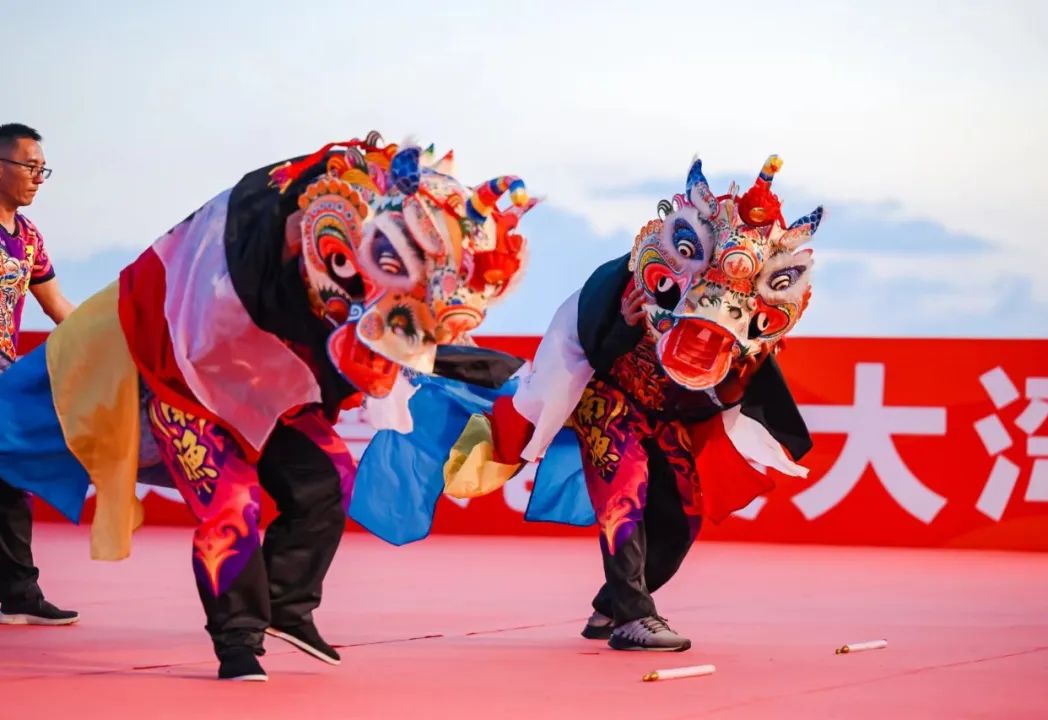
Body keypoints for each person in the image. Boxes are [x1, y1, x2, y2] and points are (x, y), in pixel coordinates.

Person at [0, 133, 536, 680]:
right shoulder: (258, 237)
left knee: (328, 478)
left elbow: (405, 341)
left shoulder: (386, 276)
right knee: (230, 505)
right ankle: (238, 640)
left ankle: (287, 603)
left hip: (275, 386)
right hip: (188, 381)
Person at [351, 155, 821, 652]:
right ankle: (633, 619)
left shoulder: (750, 331)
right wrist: (624, 324)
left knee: (683, 520)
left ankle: (611, 606)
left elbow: (726, 395)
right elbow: (592, 349)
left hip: (673, 419)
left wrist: (744, 357)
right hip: (608, 397)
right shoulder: (627, 284)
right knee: (626, 493)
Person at [0, 123, 78, 626]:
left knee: (10, 480)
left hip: (4, 376)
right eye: (29, 166)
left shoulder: (28, 238)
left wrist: (109, 339)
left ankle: (18, 594)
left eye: (41, 168)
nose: (37, 177)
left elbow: (57, 307)